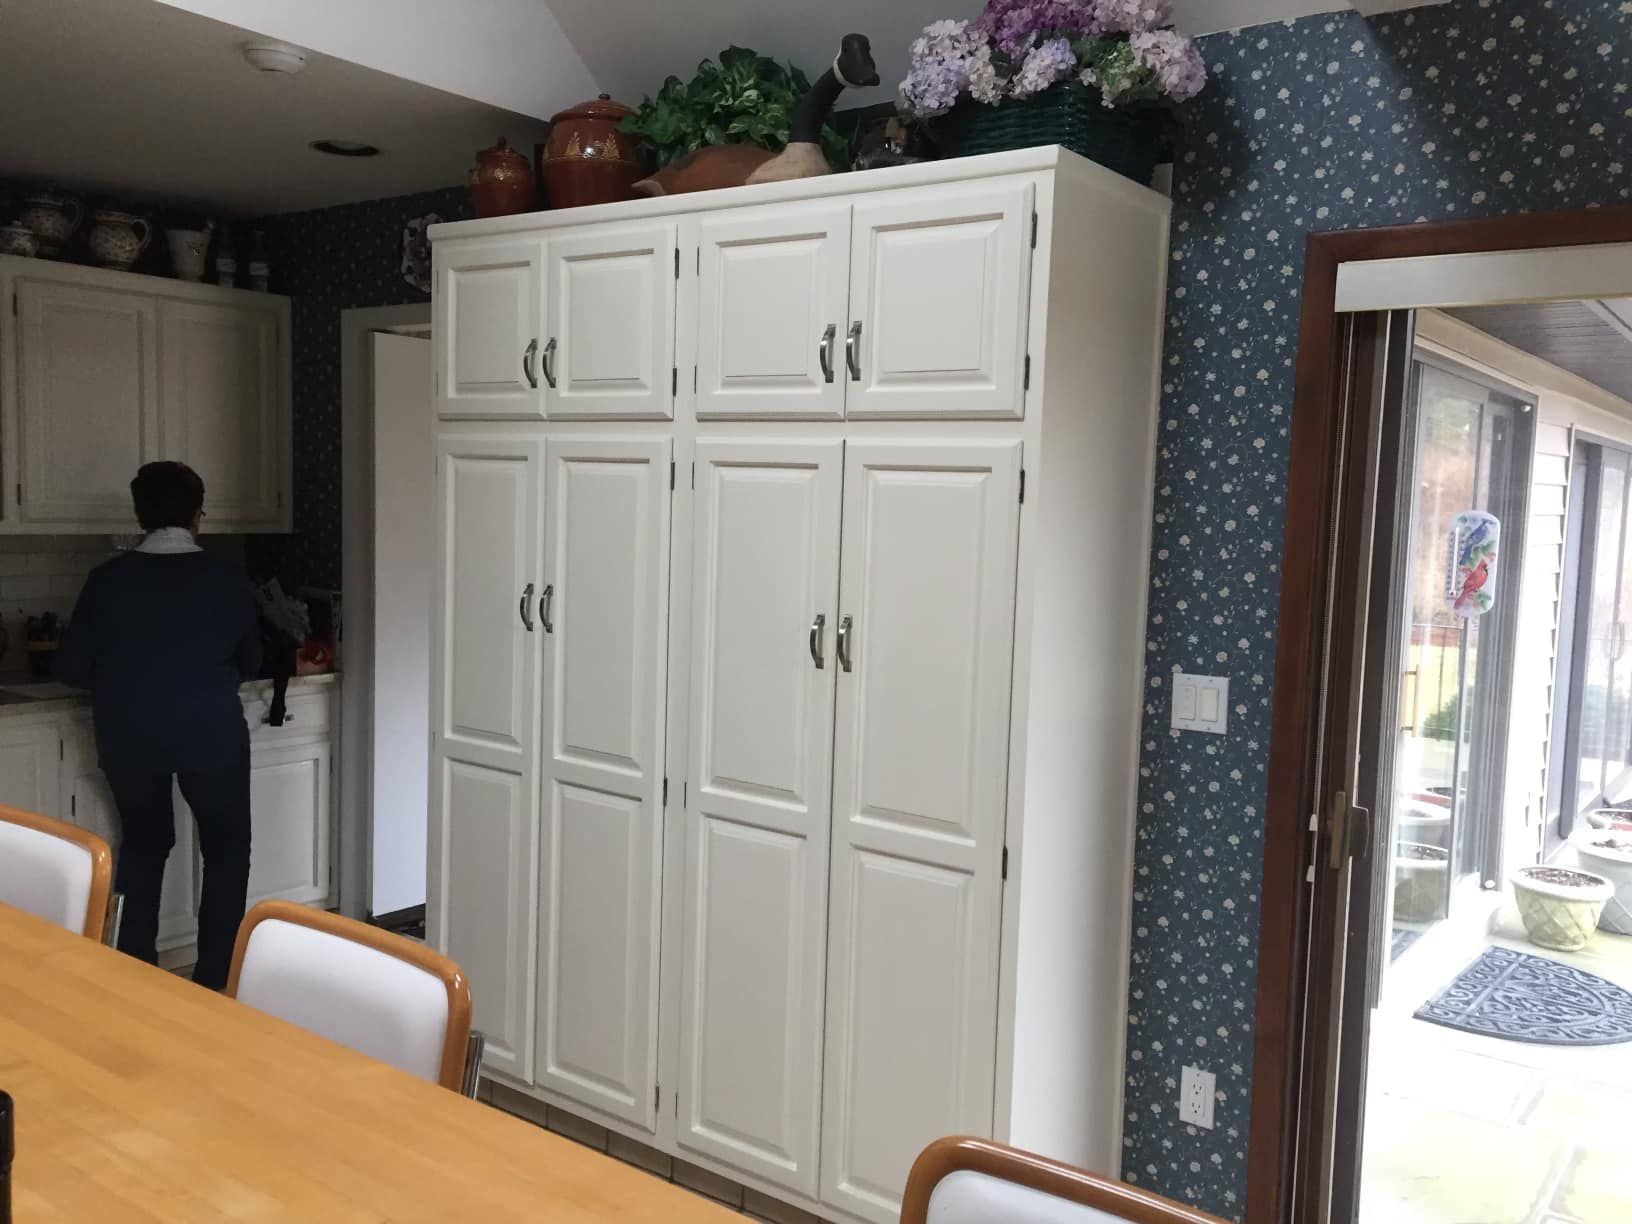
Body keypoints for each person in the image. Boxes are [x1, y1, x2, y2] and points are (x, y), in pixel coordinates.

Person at [56, 462, 261, 989]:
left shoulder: (105, 582)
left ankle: (133, 973)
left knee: (144, 845)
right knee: (226, 850)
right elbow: (252, 660)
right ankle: (215, 977)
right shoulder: (226, 579)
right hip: (210, 734)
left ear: (139, 514)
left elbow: (72, 669)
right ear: (198, 514)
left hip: (128, 735)